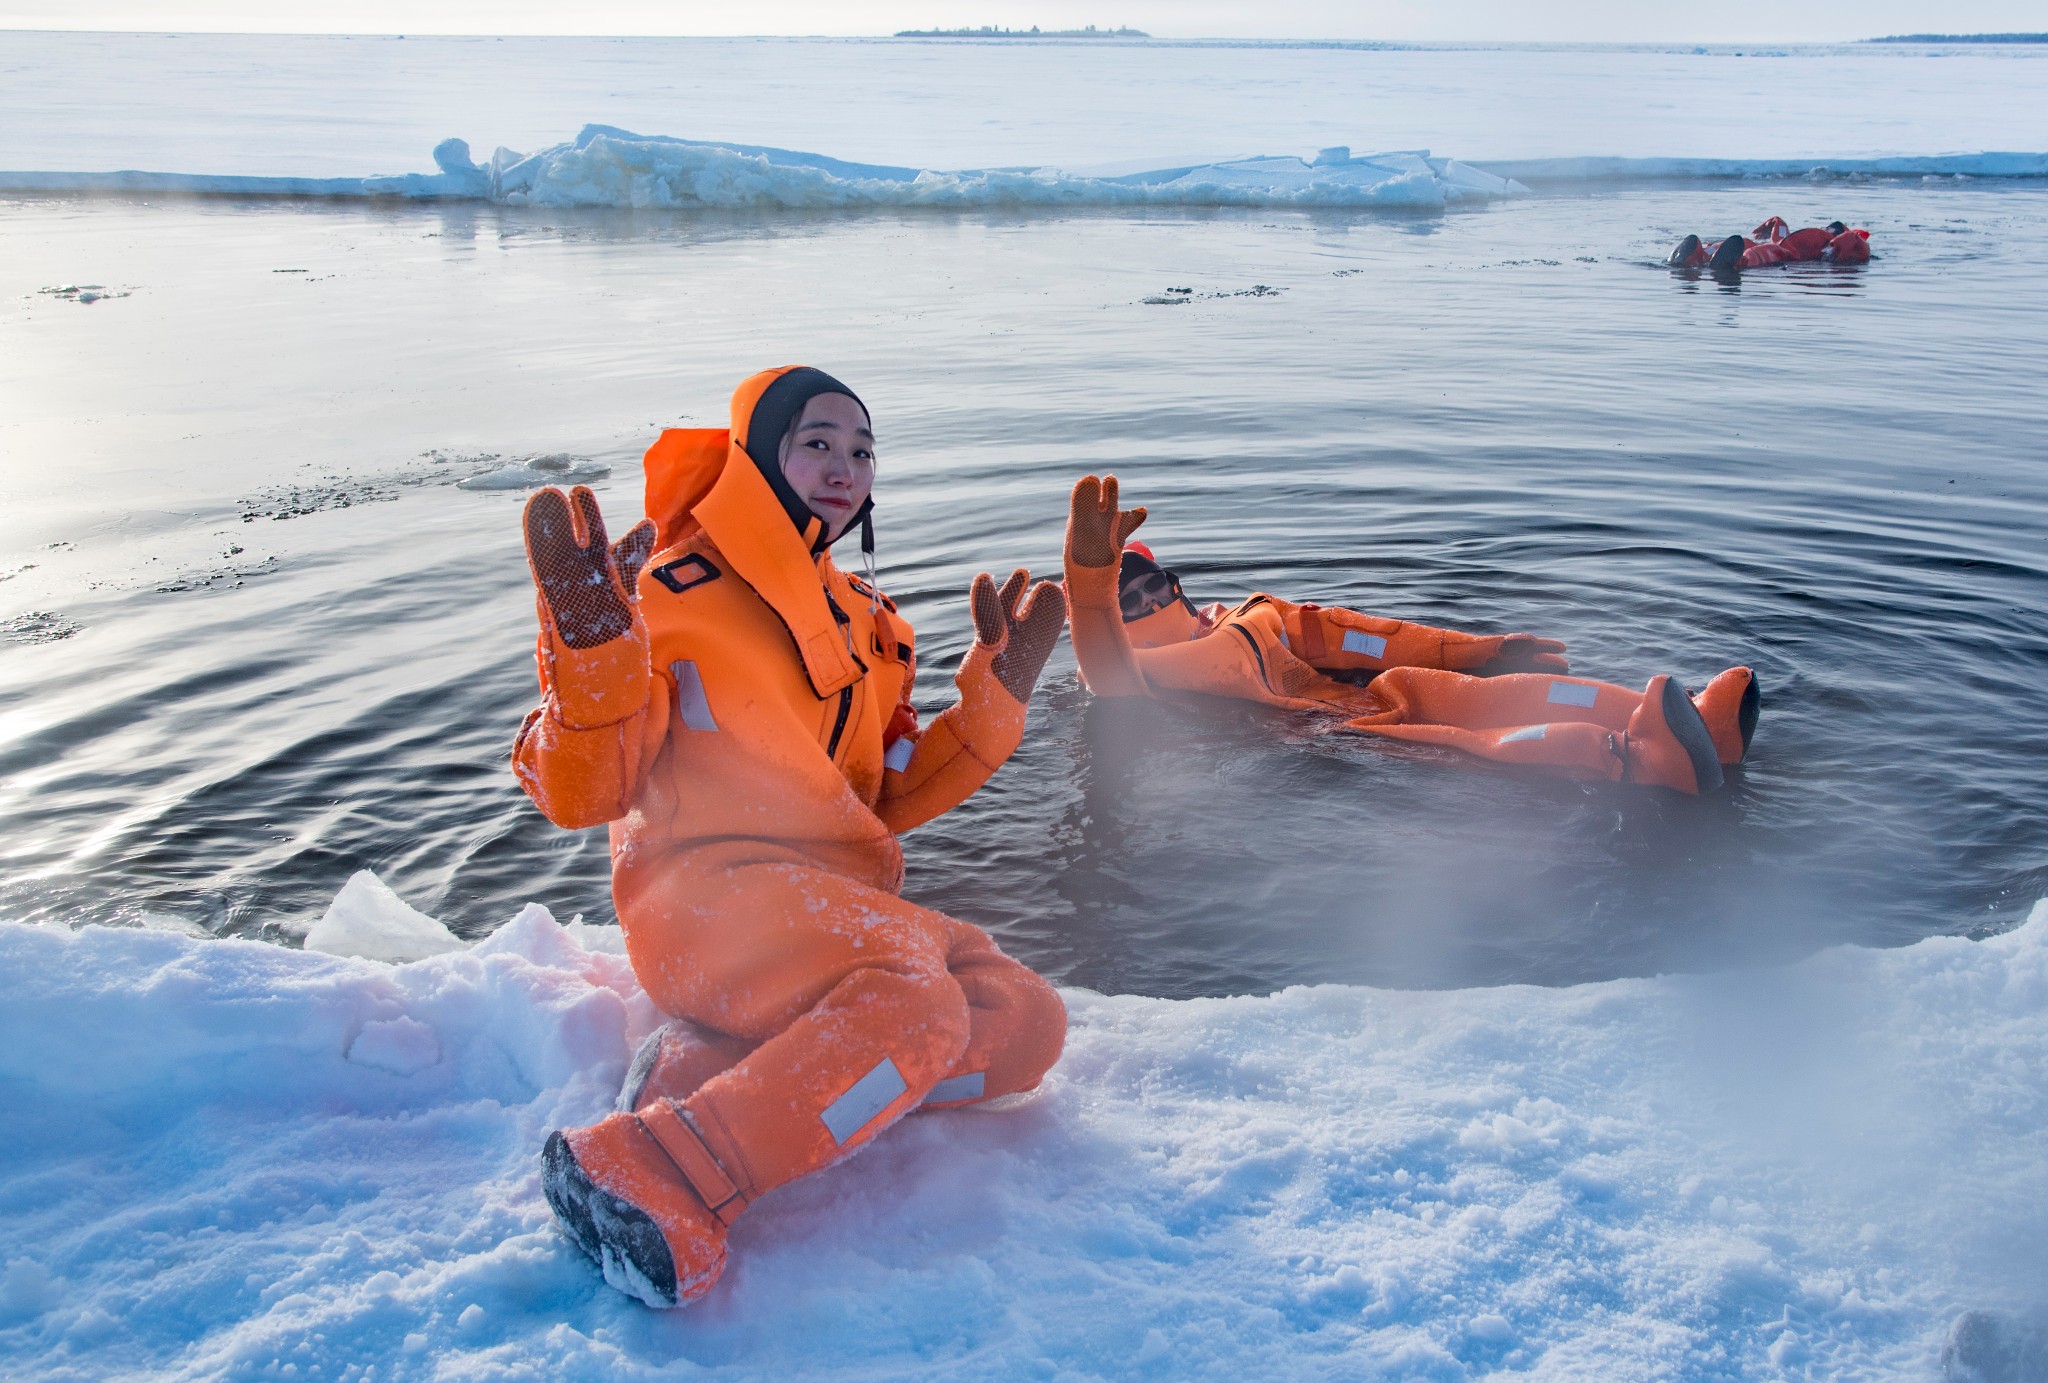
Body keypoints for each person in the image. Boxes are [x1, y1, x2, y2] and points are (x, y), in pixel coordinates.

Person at [514, 366, 1070, 1307]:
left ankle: (720, 1070)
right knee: (920, 1004)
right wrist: (596, 651)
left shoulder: (863, 619)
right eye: (816, 441)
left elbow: (884, 792)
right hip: (705, 904)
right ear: (757, 453)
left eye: (861, 450)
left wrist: (993, 700)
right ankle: (663, 1166)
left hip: (826, 913)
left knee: (1025, 1023)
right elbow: (581, 790)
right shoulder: (667, 589)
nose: (844, 466)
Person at [1064, 475, 1758, 795]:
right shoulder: (1157, 669)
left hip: (1377, 693)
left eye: (1156, 581)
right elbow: (1112, 676)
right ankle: (1634, 762)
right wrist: (1089, 586)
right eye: (1130, 595)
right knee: (1470, 741)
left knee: (1498, 692)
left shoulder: (1250, 614)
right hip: (1328, 730)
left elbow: (1363, 640)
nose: (1152, 597)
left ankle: (1697, 725)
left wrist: (1477, 651)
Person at [1668, 216, 1872, 272]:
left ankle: (1739, 261)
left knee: (1768, 250)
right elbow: (1781, 226)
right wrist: (1771, 223)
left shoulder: (1846, 238)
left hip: (1790, 255)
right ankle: (1700, 254)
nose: (1828, 230)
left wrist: (1835, 246)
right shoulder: (1818, 236)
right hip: (1783, 245)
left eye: (1832, 229)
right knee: (1746, 241)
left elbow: (1857, 242)